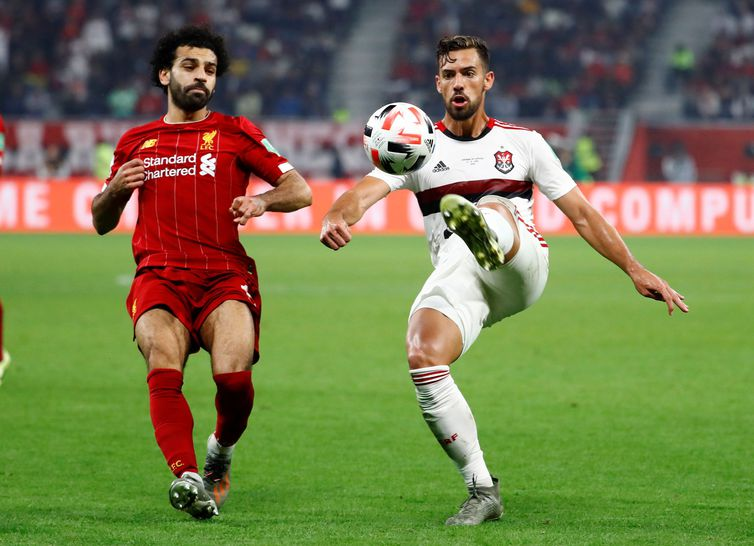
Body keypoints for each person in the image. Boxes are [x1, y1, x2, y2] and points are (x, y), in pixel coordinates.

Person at [320, 35, 688, 526]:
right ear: (437, 83)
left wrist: (634, 267)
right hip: (463, 279)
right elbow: (359, 195)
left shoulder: (523, 143)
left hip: (522, 267)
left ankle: (484, 227)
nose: (458, 82)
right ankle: (481, 489)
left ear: (487, 81)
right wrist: (336, 217)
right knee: (422, 355)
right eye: (449, 74)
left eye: (468, 73)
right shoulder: (415, 147)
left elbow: (580, 213)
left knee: (492, 207)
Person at [91, 26, 312, 520]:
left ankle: (219, 455)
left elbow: (300, 190)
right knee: (162, 365)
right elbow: (101, 221)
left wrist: (261, 200)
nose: (202, 77)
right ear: (165, 74)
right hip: (159, 275)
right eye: (191, 66)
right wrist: (116, 190)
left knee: (233, 382)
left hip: (222, 274)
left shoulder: (236, 132)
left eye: (210, 70)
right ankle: (187, 476)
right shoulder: (135, 141)